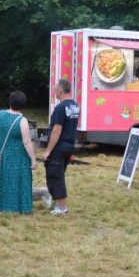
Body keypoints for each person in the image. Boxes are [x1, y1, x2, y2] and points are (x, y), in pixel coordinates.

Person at [0, 91, 37, 214]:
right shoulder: (22, 121)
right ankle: (21, 207)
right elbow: (27, 142)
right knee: (21, 181)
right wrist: (33, 159)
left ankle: (4, 206)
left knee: (6, 180)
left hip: (5, 155)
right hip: (20, 157)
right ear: (23, 105)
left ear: (10, 102)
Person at [42, 78, 79, 215]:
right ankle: (58, 205)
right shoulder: (75, 106)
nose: (55, 92)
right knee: (58, 174)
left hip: (59, 146)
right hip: (69, 145)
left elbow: (56, 130)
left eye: (55, 90)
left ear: (61, 91)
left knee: (55, 176)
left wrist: (48, 151)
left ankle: (62, 208)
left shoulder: (60, 108)